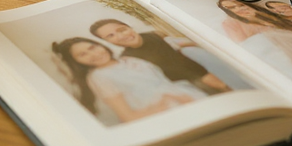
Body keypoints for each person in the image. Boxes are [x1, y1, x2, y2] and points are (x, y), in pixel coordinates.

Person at [51, 37, 207, 124]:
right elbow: (127, 116)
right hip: (160, 113)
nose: (93, 54)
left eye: (92, 47)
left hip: (186, 96)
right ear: (77, 62)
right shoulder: (100, 77)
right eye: (83, 54)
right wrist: (165, 104)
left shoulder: (129, 60)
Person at [89, 18, 230, 93]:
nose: (120, 36)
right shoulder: (129, 59)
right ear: (107, 42)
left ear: (130, 27)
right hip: (187, 86)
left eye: (122, 30)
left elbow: (174, 45)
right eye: (111, 36)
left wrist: (190, 45)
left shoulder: (152, 35)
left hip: (202, 70)